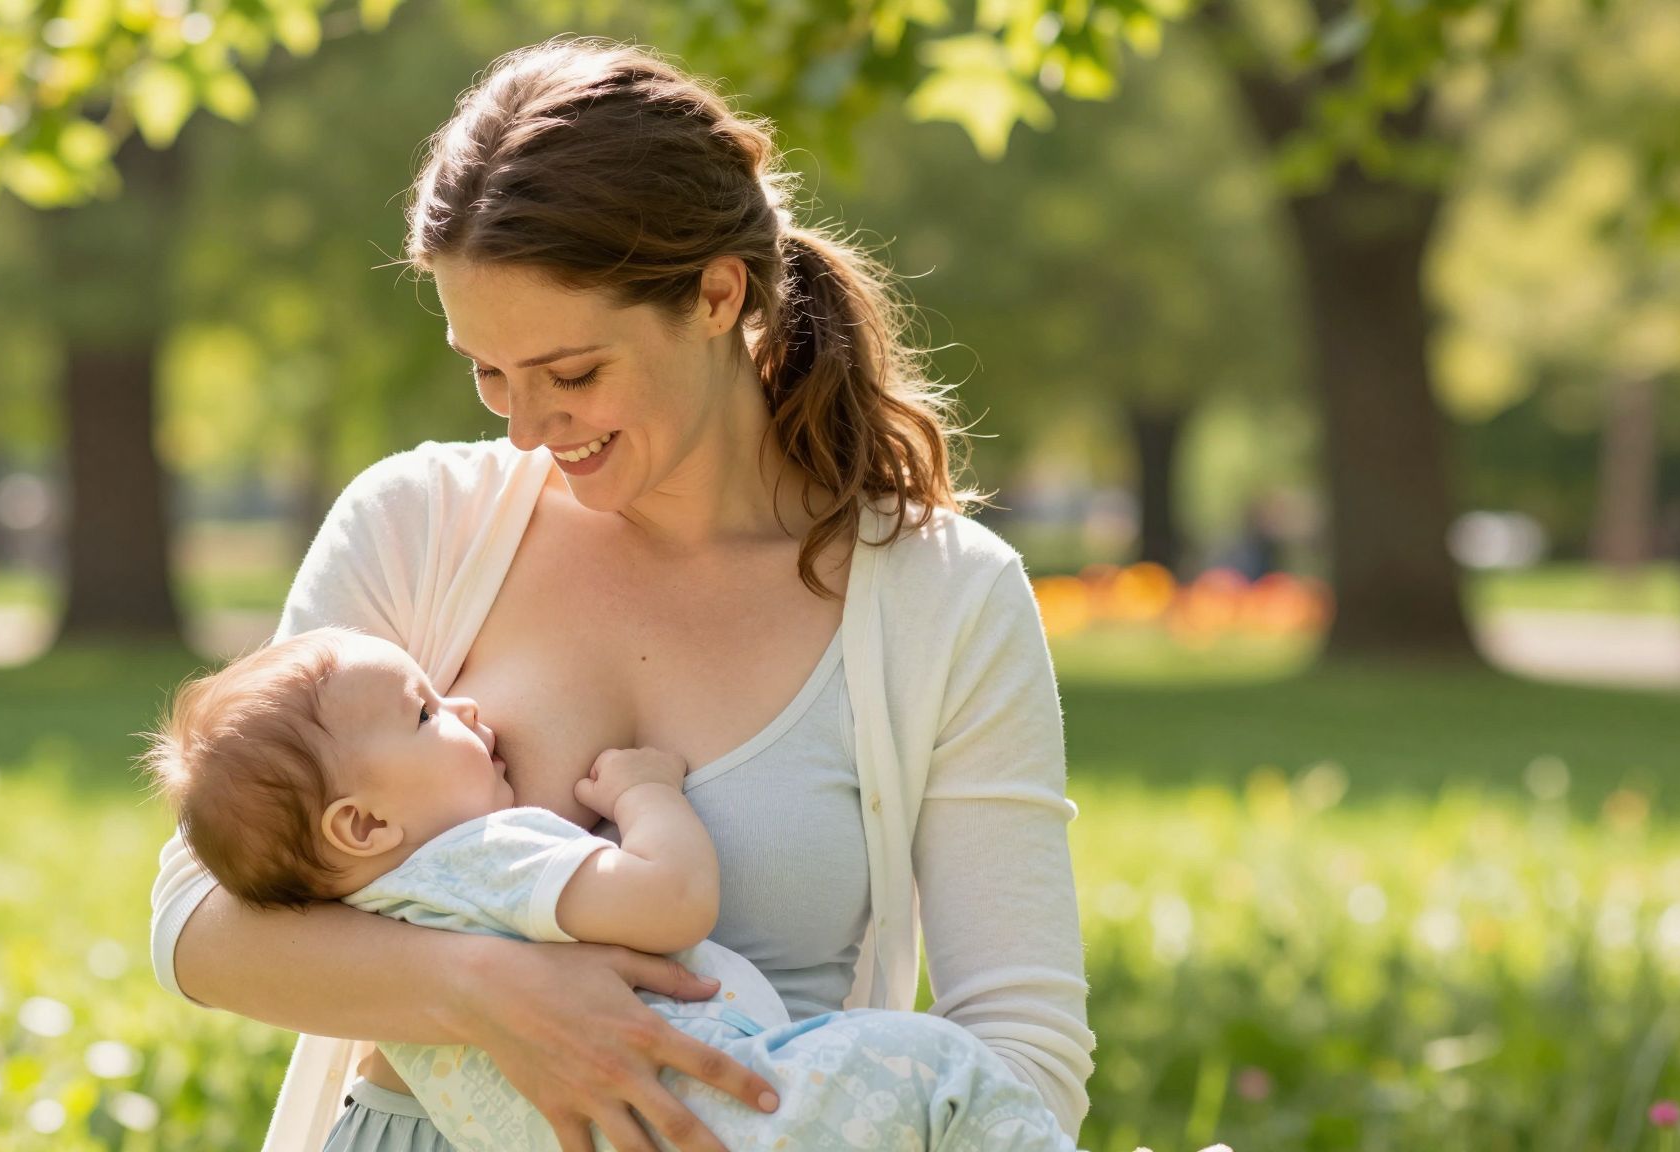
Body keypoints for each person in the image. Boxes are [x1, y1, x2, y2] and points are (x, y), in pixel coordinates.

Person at [148, 37, 1094, 1152]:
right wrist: (491, 995)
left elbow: (1019, 1052)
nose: (526, 427)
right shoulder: (417, 525)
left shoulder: (943, 600)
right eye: (486, 371)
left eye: (571, 372)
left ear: (714, 294)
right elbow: (200, 924)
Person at [144, 627, 1079, 1151]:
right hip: (722, 1114)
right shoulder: (481, 858)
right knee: (936, 1069)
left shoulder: (349, 904)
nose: (465, 706)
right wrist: (646, 795)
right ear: (362, 825)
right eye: (426, 713)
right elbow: (670, 900)